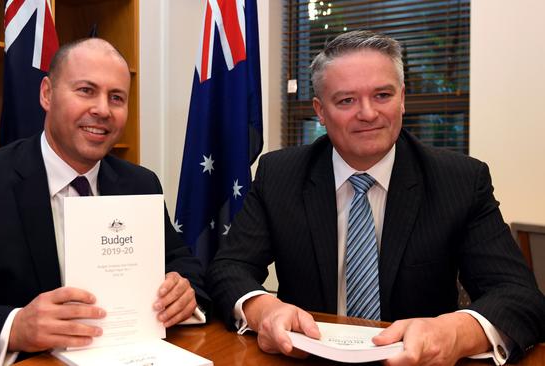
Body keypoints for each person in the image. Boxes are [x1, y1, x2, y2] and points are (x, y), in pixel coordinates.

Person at [207, 30, 545, 365]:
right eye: (346, 100)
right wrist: (264, 309)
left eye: (382, 95)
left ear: (402, 98)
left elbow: (520, 297)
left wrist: (453, 332)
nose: (367, 113)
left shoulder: (459, 180)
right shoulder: (280, 174)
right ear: (320, 111)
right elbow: (228, 268)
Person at [0, 38, 209, 365]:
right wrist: (15, 326)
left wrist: (183, 292)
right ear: (47, 93)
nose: (102, 109)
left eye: (116, 97)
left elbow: (183, 264)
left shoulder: (140, 183)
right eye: (86, 90)